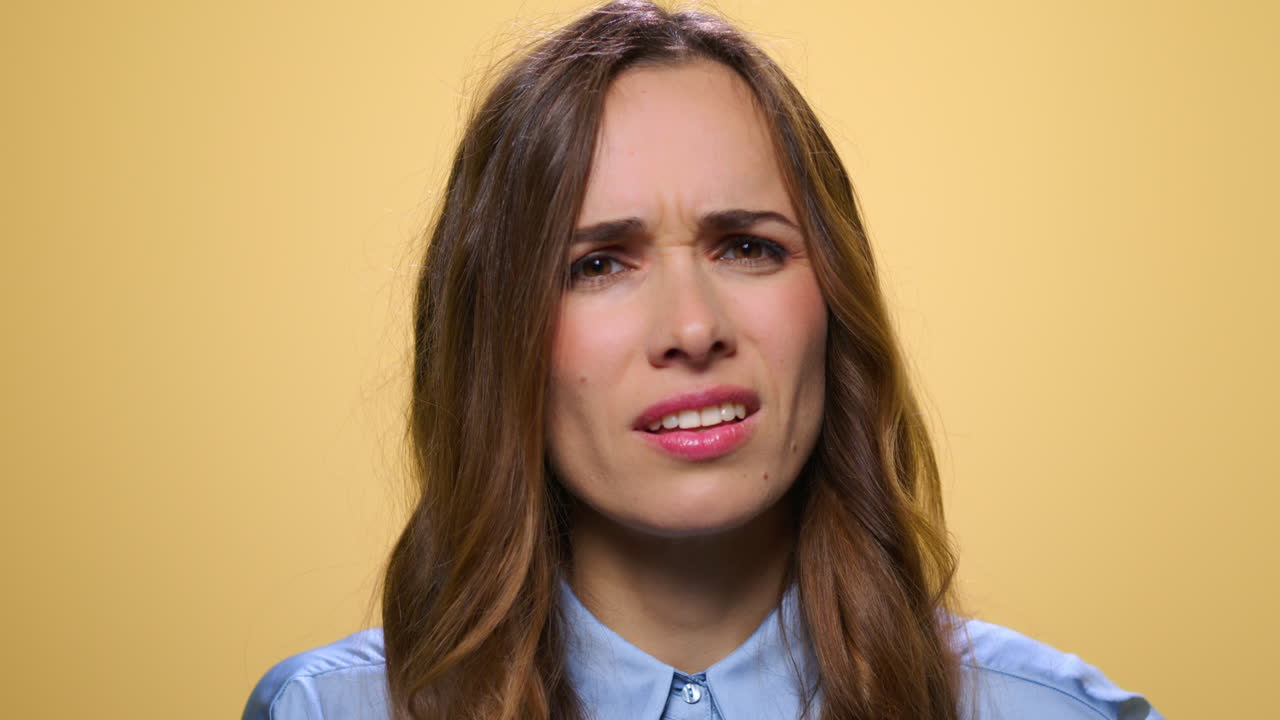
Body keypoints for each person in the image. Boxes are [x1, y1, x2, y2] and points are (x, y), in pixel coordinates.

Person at [244, 2, 1162, 718]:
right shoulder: (326, 712)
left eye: (747, 247)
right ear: (497, 336)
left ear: (835, 299)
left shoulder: (1052, 714)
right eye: (597, 264)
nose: (691, 327)